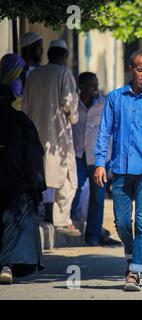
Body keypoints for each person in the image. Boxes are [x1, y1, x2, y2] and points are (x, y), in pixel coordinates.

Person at [94, 49, 142, 292]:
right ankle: (130, 250)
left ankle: (135, 270)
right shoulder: (115, 98)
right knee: (123, 222)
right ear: (131, 69)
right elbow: (105, 132)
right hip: (120, 169)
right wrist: (99, 163)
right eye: (140, 69)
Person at [22, 39, 81, 237]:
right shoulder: (64, 73)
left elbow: (25, 105)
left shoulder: (34, 75)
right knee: (69, 178)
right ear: (64, 56)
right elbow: (68, 105)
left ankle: (35, 215)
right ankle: (62, 219)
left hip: (34, 134)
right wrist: (73, 117)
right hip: (58, 136)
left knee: (38, 173)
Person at [0, 53, 46, 284]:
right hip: (16, 179)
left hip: (12, 177)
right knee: (15, 215)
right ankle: (7, 265)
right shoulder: (20, 120)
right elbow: (35, 153)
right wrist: (36, 182)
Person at [70, 72, 120, 246]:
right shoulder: (74, 103)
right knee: (72, 190)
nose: (95, 89)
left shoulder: (104, 104)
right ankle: (70, 225)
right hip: (77, 154)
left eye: (96, 85)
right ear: (82, 86)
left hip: (99, 158)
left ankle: (93, 236)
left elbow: (112, 130)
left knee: (98, 198)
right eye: (92, 85)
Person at [19, 32, 43, 98]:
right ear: (28, 48)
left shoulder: (42, 70)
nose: (42, 50)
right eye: (39, 47)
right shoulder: (16, 67)